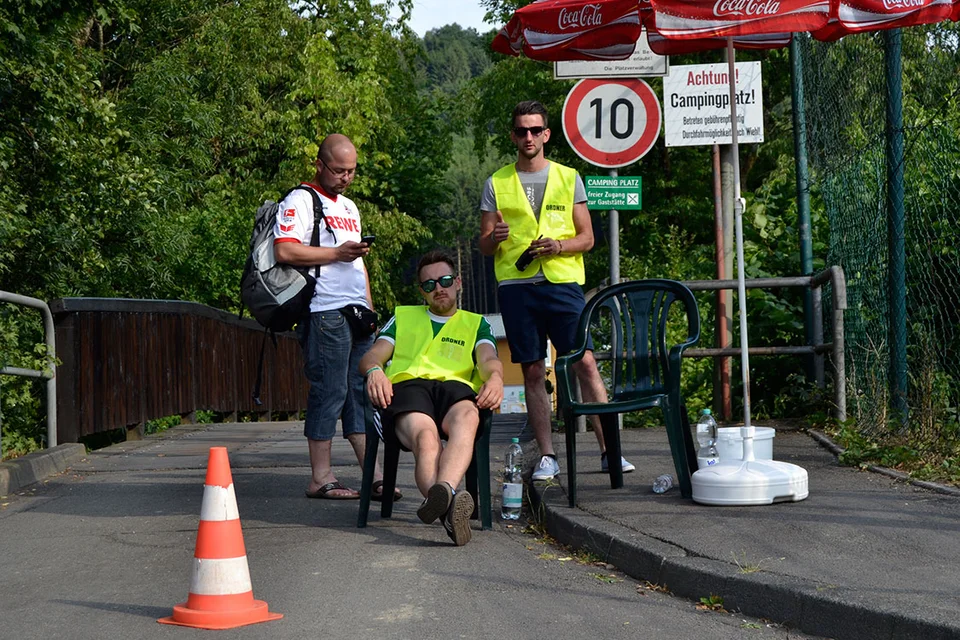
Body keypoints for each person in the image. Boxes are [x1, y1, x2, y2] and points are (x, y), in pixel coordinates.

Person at [478, 100, 635, 482]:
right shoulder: (495, 182)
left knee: (584, 363)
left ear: (546, 134)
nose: (528, 137)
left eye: (535, 130)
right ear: (513, 136)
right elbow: (483, 245)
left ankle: (608, 450)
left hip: (563, 284)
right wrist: (493, 237)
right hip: (517, 288)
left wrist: (559, 246)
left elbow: (588, 238)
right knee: (532, 368)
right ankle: (547, 455)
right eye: (521, 131)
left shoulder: (569, 177)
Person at [274, 134, 394, 501]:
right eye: (339, 170)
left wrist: (370, 308)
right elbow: (285, 251)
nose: (345, 177)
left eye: (352, 171)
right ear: (320, 165)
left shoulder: (350, 207)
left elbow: (357, 261)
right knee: (330, 390)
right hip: (323, 309)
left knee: (361, 392)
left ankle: (371, 473)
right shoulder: (301, 199)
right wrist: (335, 254)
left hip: (356, 311)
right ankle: (320, 476)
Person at [359, 250, 503, 546]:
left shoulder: (476, 324)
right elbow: (373, 355)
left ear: (458, 282)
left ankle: (444, 496)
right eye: (429, 284)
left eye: (445, 280)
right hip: (408, 389)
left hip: (455, 390)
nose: (439, 288)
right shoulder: (402, 317)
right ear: (421, 291)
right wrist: (375, 370)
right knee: (426, 438)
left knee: (468, 416)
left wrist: (497, 377)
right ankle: (451, 505)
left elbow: (488, 358)